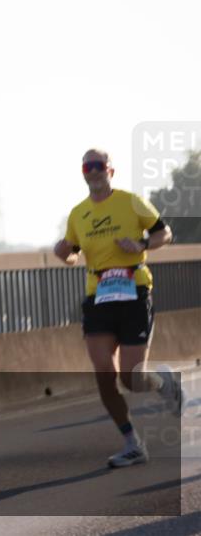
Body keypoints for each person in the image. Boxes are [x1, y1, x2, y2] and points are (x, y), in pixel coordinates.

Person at [53, 148, 184, 468]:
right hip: (99, 295)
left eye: (99, 165)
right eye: (88, 166)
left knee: (132, 376)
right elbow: (73, 255)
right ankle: (131, 443)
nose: (94, 171)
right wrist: (63, 254)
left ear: (110, 171)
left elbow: (163, 233)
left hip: (134, 289)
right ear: (83, 172)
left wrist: (140, 245)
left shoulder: (129, 201)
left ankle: (165, 383)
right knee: (104, 375)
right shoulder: (78, 214)